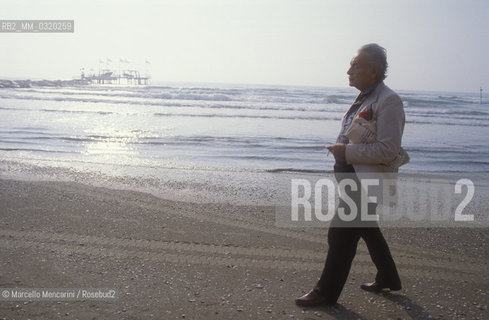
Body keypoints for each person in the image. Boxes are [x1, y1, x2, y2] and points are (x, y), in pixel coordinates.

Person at [295, 43, 405, 306]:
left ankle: (326, 292)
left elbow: (389, 150)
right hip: (352, 178)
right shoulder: (365, 97)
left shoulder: (389, 100)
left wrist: (346, 151)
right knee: (367, 228)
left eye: (356, 65)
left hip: (366, 182)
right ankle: (388, 276)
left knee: (340, 234)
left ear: (374, 71)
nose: (349, 70)